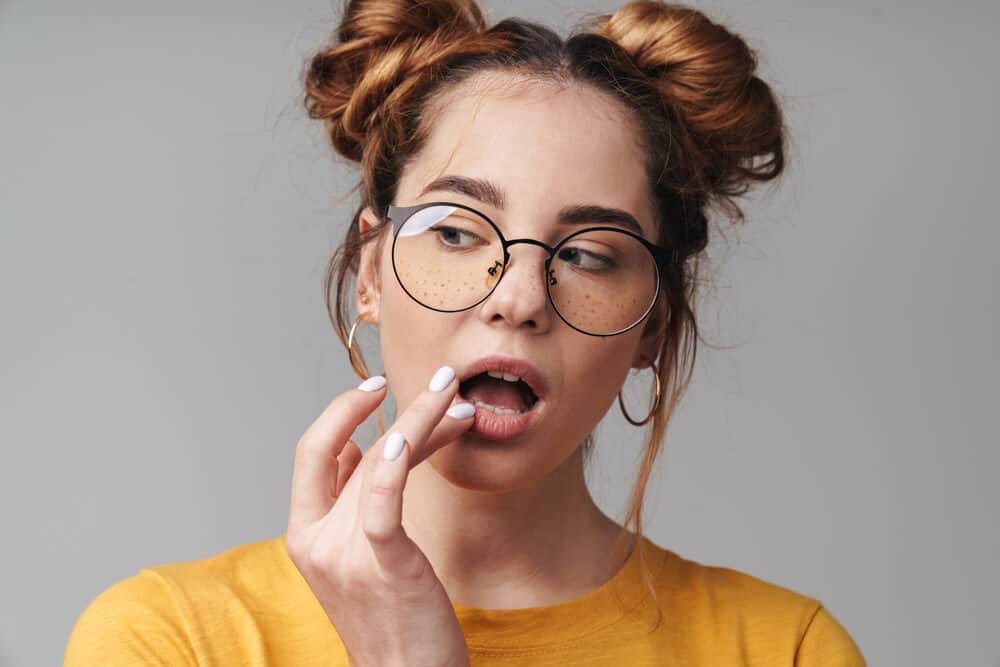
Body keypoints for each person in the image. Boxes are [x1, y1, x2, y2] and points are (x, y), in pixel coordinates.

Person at [64, 0, 867, 664]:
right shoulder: (170, 638)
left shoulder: (783, 648)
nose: (519, 298)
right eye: (456, 231)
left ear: (653, 324)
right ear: (370, 271)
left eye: (588, 254)